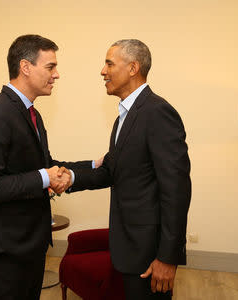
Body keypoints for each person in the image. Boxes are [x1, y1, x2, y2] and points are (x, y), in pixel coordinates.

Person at [61, 39, 191, 299]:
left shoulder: (157, 112)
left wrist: (167, 257)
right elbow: (112, 169)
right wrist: (69, 175)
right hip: (129, 250)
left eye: (109, 63)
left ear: (133, 68)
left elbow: (176, 190)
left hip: (149, 253)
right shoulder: (126, 115)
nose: (102, 71)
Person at [0, 34, 98, 300]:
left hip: (31, 243)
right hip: (9, 248)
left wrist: (93, 165)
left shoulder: (33, 113)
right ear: (25, 67)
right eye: (50, 67)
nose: (57, 74)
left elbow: (46, 166)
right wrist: (44, 177)